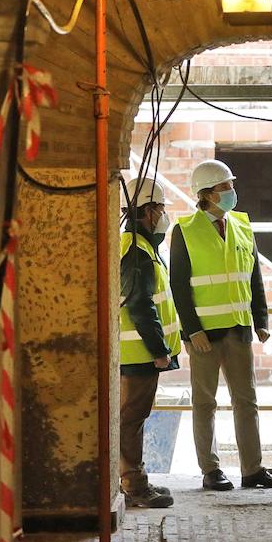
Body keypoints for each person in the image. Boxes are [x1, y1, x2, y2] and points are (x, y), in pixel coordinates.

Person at [170, 159, 272, 491]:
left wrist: (261, 319)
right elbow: (178, 284)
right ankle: (211, 470)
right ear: (206, 194)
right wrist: (192, 330)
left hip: (238, 328)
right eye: (224, 187)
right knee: (205, 402)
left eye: (231, 186)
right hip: (204, 334)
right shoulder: (185, 230)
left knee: (246, 401)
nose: (231, 192)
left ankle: (253, 470)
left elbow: (254, 277)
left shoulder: (242, 226)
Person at [118, 178, 180, 509]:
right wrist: (159, 351)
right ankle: (134, 486)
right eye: (160, 209)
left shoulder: (139, 248)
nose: (163, 215)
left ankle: (134, 479)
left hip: (139, 352)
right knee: (131, 419)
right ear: (147, 211)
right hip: (139, 353)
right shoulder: (137, 252)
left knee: (131, 419)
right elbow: (140, 305)